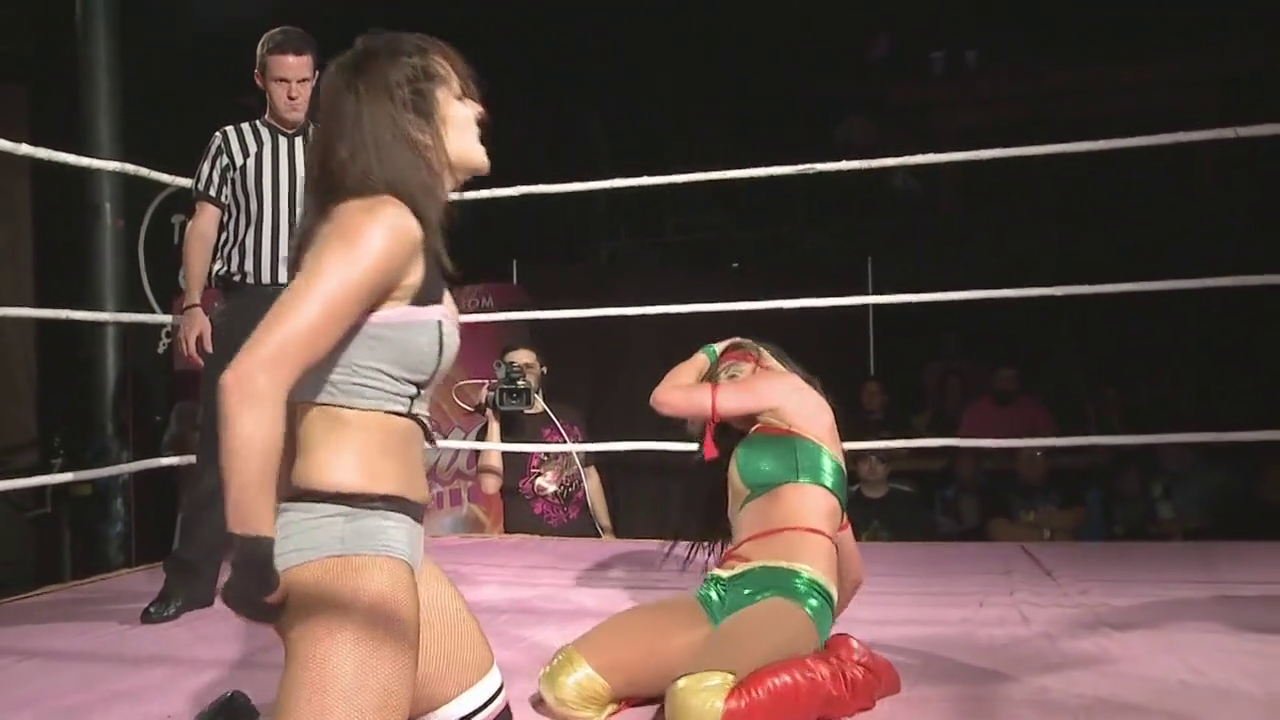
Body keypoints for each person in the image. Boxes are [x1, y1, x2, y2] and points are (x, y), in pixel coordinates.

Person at [210, 32, 511, 720]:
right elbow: (251, 378)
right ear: (411, 115)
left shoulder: (395, 228)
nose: (478, 109)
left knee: (478, 708)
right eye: (459, 94)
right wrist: (253, 550)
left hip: (386, 535)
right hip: (349, 541)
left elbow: (315, 388)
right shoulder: (382, 221)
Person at [532, 339, 899, 720]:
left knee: (698, 706)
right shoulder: (775, 457)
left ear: (764, 363)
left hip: (792, 593)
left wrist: (713, 350)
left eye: (736, 367)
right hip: (721, 594)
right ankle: (710, 672)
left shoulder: (791, 391)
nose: (725, 374)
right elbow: (852, 573)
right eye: (719, 375)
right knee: (566, 684)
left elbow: (666, 398)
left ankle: (846, 672)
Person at [143, 26, 318, 624]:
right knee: (222, 443)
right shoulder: (232, 143)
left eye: (303, 82)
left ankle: (310, 575)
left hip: (315, 301)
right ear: (261, 80)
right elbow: (204, 224)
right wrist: (193, 303)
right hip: (247, 301)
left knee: (315, 438)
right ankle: (190, 581)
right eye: (282, 82)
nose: (293, 94)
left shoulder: (332, 147)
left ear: (315, 79)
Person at [473, 343, 615, 538]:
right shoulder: (493, 430)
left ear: (543, 370)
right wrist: (494, 419)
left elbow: (589, 475)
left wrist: (607, 530)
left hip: (581, 537)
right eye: (513, 368)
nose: (522, 373)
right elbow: (489, 486)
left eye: (529, 367)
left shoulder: (569, 417)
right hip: (530, 543)